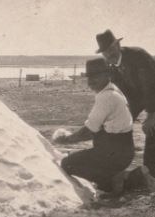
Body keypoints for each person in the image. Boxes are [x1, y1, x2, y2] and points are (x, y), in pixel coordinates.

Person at [95, 29, 155, 185]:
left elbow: (151, 86)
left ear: (118, 44)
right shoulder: (110, 65)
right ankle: (112, 173)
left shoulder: (137, 56)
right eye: (105, 52)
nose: (109, 54)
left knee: (152, 131)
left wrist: (151, 115)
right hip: (137, 95)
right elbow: (119, 91)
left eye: (111, 49)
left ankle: (152, 179)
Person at [54, 58, 137, 195]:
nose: (91, 81)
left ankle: (116, 180)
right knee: (81, 159)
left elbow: (89, 131)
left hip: (113, 154)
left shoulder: (106, 97)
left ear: (107, 75)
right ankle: (125, 176)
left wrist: (66, 139)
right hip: (123, 151)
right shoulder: (114, 90)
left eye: (96, 76)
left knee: (67, 164)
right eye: (89, 77)